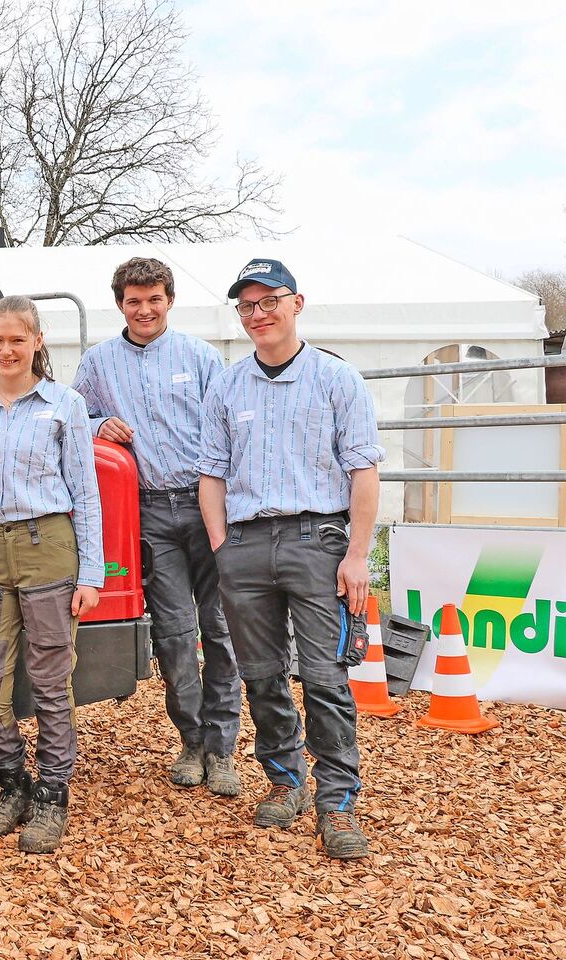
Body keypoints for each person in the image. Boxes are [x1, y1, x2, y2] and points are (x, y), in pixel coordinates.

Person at [198, 258, 383, 860]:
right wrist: (222, 547)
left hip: (317, 541)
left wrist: (358, 554)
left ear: (296, 303)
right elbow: (212, 474)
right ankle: (285, 781)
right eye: (247, 306)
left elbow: (363, 470)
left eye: (269, 301)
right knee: (261, 675)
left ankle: (337, 803)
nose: (258, 314)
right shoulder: (227, 385)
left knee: (326, 678)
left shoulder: (336, 379)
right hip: (245, 545)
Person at [72, 258, 243, 796]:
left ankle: (222, 748)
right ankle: (191, 740)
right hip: (147, 512)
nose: (144, 310)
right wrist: (100, 423)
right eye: (133, 301)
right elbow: (73, 417)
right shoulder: (98, 362)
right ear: (119, 304)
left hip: (206, 503)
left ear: (169, 300)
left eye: (153, 300)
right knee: (173, 632)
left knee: (220, 627)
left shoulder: (201, 357)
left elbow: (228, 425)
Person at [0, 296, 103, 854]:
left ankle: (53, 795)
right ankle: (13, 785)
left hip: (48, 547)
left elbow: (85, 492)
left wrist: (91, 573)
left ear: (38, 341)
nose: (7, 350)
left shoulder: (65, 405)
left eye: (18, 340)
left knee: (51, 679)